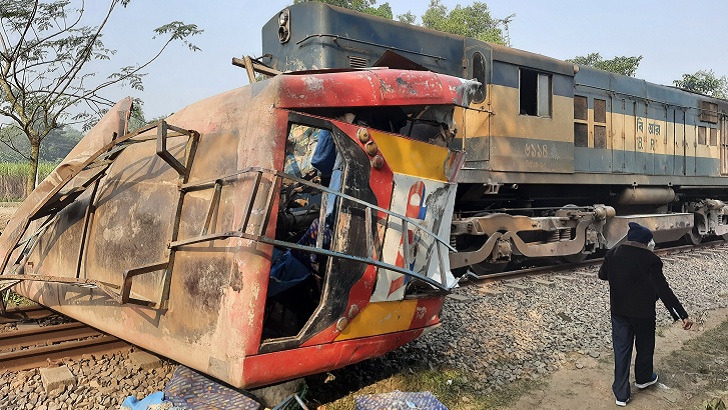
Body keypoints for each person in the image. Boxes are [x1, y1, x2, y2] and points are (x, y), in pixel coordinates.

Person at [598, 222, 694, 407]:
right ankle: (643, 378)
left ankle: (621, 394)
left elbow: (603, 275)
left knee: (621, 350)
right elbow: (664, 290)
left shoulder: (613, 254)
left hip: (619, 312)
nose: (653, 244)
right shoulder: (651, 260)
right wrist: (682, 315)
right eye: (651, 241)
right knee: (645, 346)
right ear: (645, 242)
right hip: (643, 314)